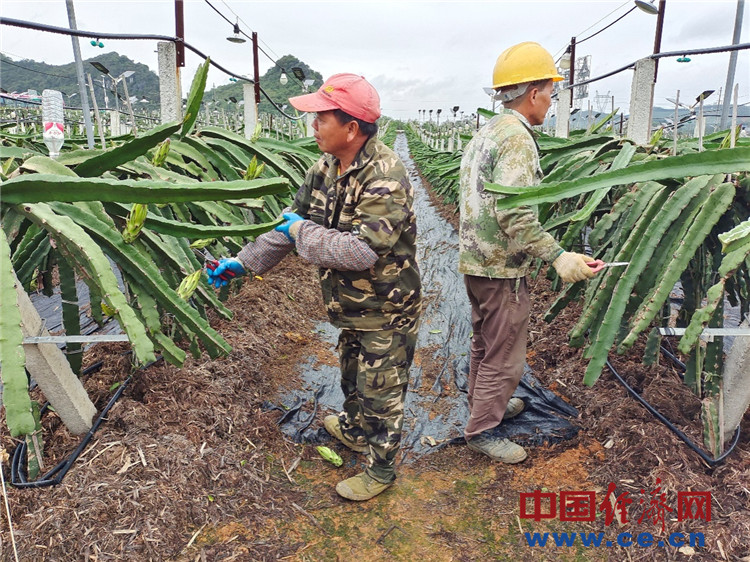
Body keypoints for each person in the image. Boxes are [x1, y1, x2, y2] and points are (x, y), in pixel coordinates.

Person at [208, 73, 421, 501]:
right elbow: (287, 227)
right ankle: (356, 430)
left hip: (387, 306)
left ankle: (381, 470)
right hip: (349, 305)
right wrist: (243, 263)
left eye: (320, 118)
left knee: (381, 390)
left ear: (351, 128)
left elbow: (362, 252)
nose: (312, 125)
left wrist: (303, 230)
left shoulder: (386, 176)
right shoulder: (323, 168)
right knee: (350, 373)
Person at [458, 42, 596, 464]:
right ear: (533, 93)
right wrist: (557, 255)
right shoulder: (517, 139)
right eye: (550, 93)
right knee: (505, 353)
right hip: (501, 268)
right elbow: (515, 213)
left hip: (476, 262)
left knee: (485, 343)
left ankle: (485, 406)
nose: (551, 102)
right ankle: (483, 430)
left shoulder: (488, 131)